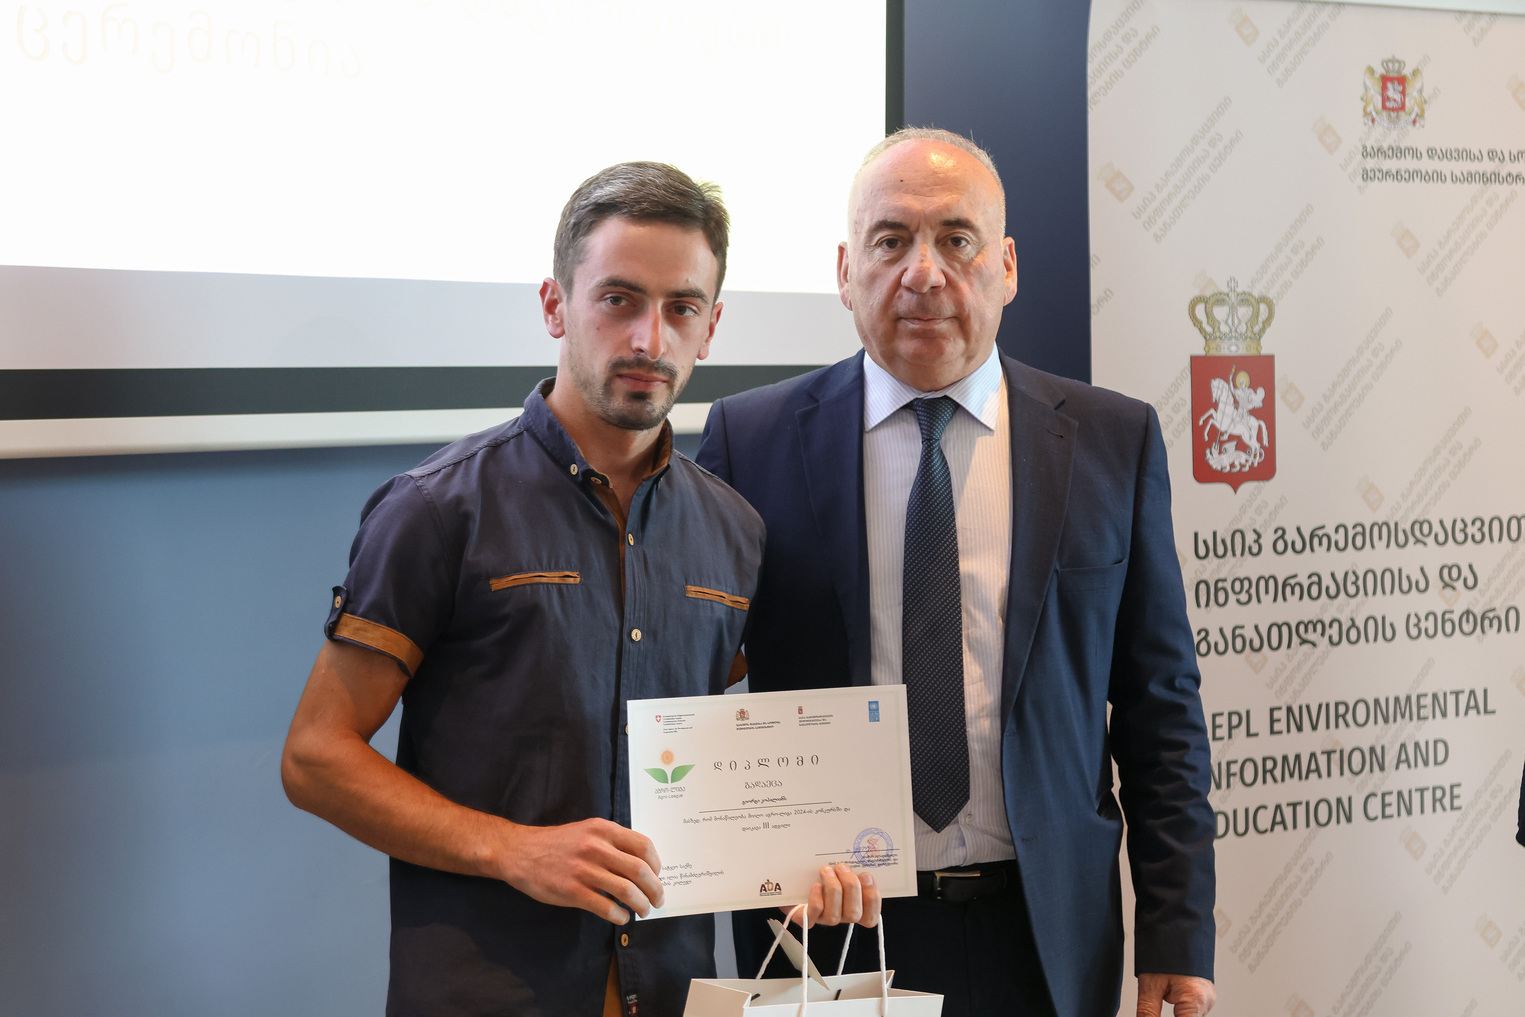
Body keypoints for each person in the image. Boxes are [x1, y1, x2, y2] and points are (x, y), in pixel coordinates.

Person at [281, 162, 876, 1017]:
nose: (648, 339)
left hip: (669, 993)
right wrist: (511, 849)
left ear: (710, 327)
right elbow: (314, 757)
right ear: (556, 305)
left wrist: (790, 864)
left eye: (681, 308)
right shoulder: (438, 509)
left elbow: (715, 765)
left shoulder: (735, 531)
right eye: (617, 300)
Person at [697, 129, 1217, 1017]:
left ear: (1005, 266)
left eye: (956, 239)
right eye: (890, 240)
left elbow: (1159, 706)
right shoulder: (750, 441)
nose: (923, 273)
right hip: (832, 933)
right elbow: (699, 689)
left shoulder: (1110, 440)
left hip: (1045, 933)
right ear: (845, 270)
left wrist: (1176, 928)